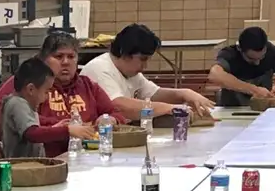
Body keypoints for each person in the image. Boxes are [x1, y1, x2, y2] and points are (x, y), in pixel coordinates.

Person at [79, 23, 214, 119]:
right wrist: (169, 108)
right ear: (124, 53)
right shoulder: (100, 69)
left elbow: (152, 94)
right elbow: (118, 106)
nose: (145, 66)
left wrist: (184, 94)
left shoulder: (129, 71)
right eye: (143, 59)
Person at [0, 57, 84, 159]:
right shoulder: (17, 104)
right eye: (46, 91)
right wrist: (66, 130)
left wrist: (54, 128)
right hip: (21, 169)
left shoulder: (26, 104)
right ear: (31, 89)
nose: (47, 96)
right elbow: (32, 134)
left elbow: (34, 130)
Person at [209, 26, 275, 107]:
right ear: (240, 49)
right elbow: (214, 75)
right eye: (251, 59)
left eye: (262, 57)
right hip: (233, 111)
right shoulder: (230, 54)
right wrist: (254, 90)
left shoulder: (271, 51)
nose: (257, 63)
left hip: (263, 109)